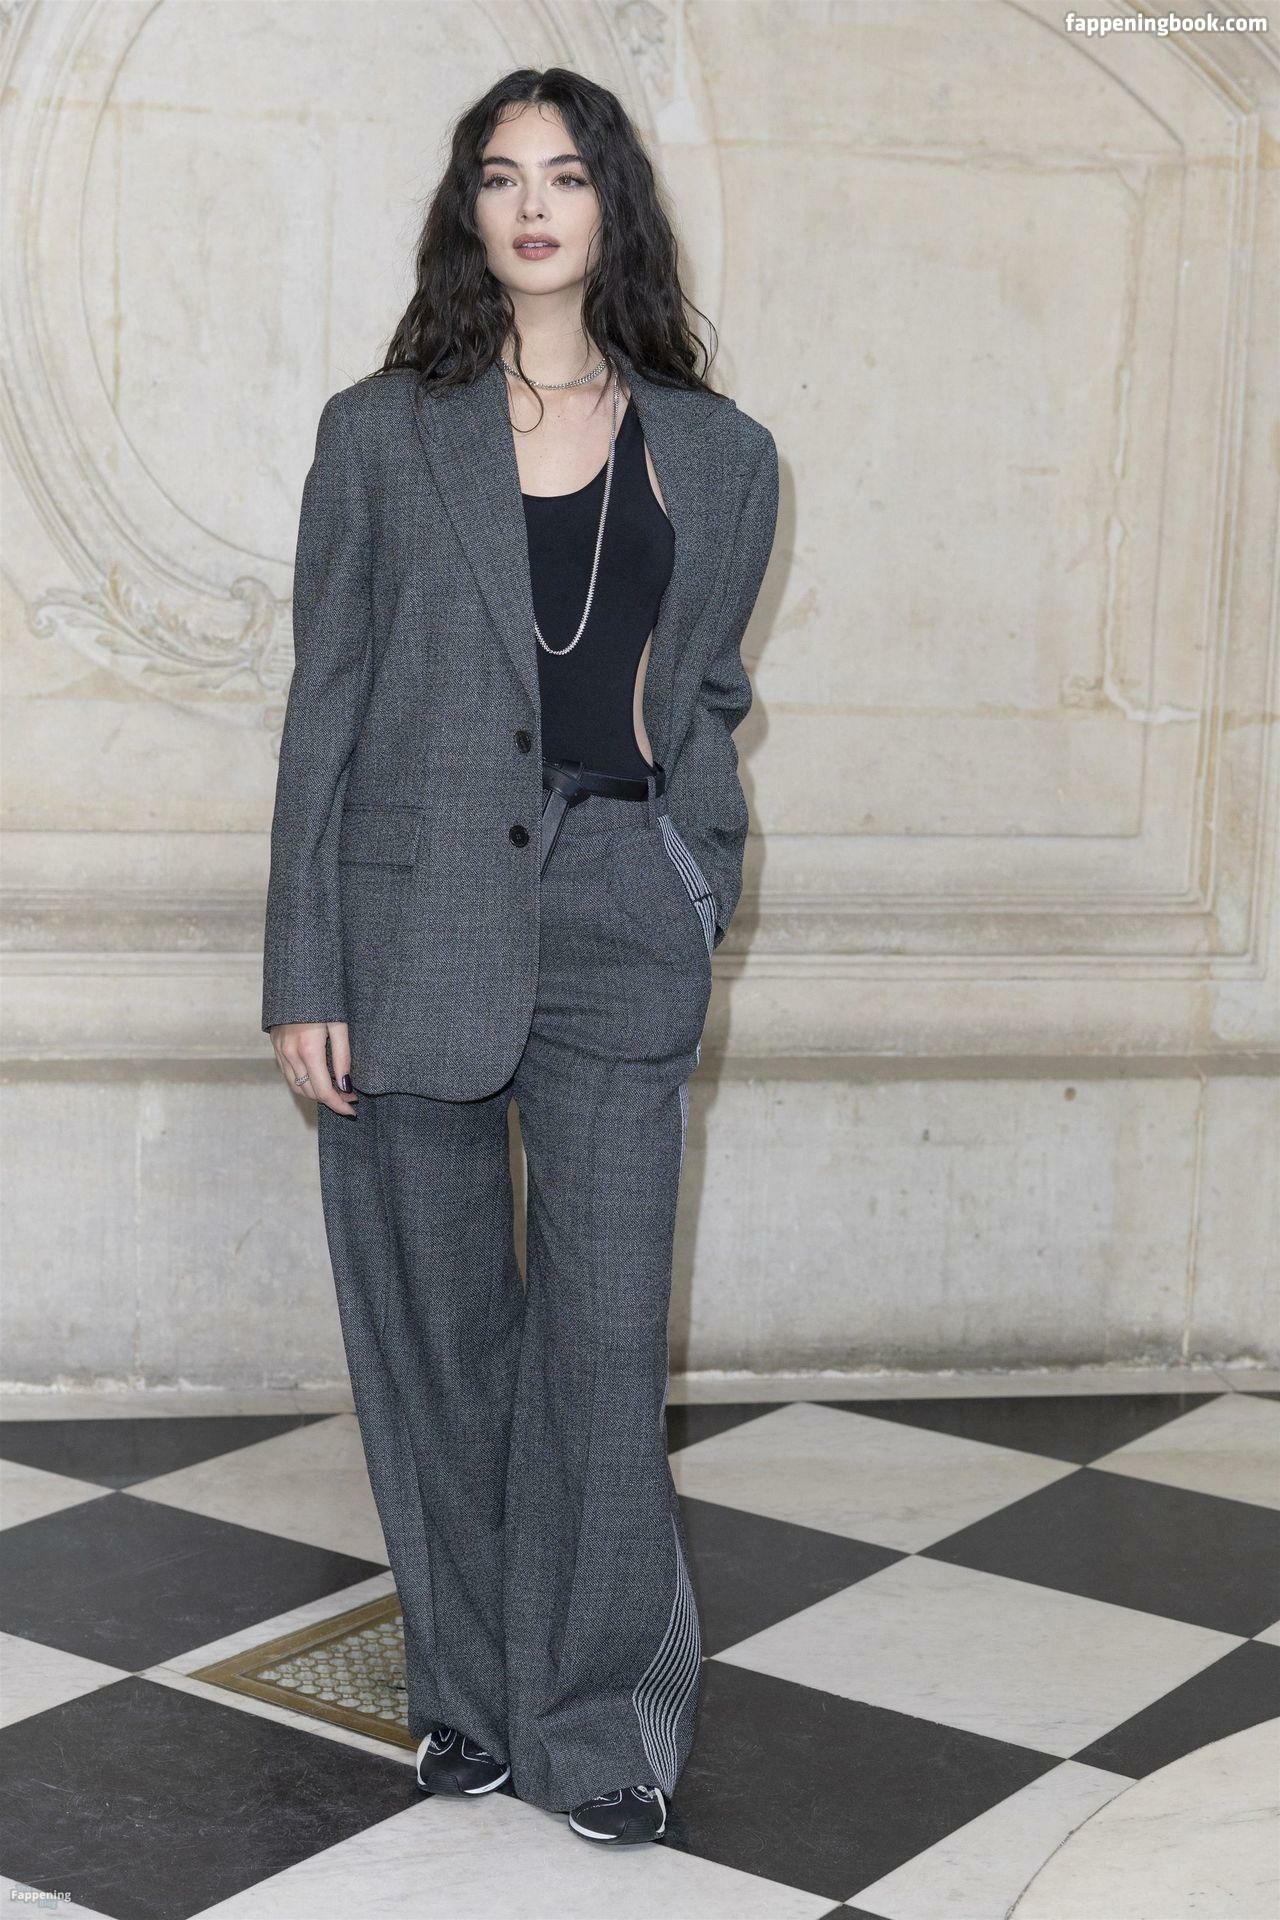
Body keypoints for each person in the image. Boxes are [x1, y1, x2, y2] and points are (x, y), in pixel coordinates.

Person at [261, 66, 779, 1847]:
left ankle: (599, 1722)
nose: (535, 206)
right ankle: (470, 1698)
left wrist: (693, 874)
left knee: (605, 1346)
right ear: (467, 210)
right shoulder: (380, 433)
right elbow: (323, 708)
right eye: (502, 177)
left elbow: (709, 693)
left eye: (567, 175)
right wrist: (304, 967)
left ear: (613, 204)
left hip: (621, 912)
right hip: (412, 926)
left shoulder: (720, 453)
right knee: (440, 1335)